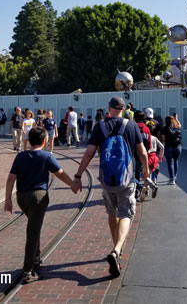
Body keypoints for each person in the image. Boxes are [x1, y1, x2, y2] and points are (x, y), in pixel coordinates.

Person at [73, 97, 149, 278]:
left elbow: (90, 152)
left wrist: (78, 175)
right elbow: (142, 152)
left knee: (112, 213)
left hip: (107, 179)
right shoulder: (131, 126)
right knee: (126, 214)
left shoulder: (100, 126)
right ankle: (117, 250)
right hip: (127, 178)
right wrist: (146, 170)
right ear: (123, 109)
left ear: (109, 108)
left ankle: (117, 248)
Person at [4, 127, 79, 284]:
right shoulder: (46, 156)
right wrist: (72, 184)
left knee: (34, 226)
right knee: (32, 232)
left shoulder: (20, 156)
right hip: (38, 198)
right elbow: (60, 173)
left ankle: (36, 259)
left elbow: (11, 178)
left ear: (29, 141)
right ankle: (27, 270)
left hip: (22, 197)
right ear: (44, 141)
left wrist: (8, 199)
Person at [161, 114, 182, 185]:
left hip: (169, 147)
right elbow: (180, 125)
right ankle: (175, 176)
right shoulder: (177, 127)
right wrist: (176, 119)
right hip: (178, 147)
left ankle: (171, 179)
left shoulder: (165, 128)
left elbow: (163, 139)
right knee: (176, 161)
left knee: (170, 163)